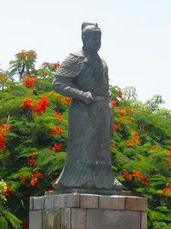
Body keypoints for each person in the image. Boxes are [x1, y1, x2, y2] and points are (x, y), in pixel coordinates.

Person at [52, 23, 122, 192]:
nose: (97, 41)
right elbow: (58, 83)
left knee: (102, 148)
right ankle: (81, 179)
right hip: (83, 110)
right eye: (94, 38)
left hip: (103, 109)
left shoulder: (102, 62)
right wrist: (81, 95)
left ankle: (105, 181)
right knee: (84, 146)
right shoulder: (74, 58)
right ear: (84, 38)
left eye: (99, 38)